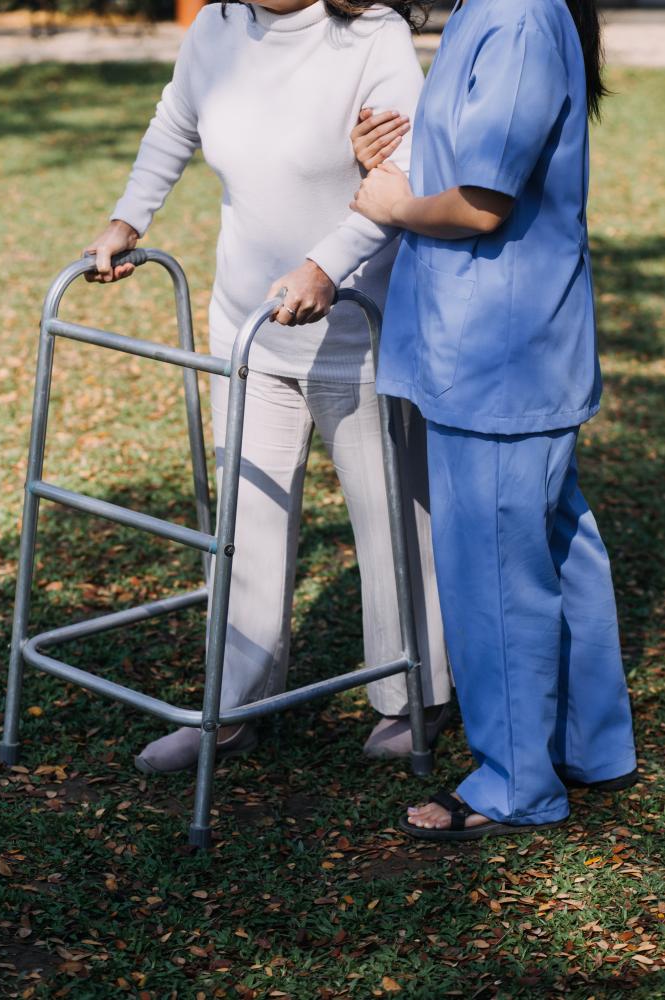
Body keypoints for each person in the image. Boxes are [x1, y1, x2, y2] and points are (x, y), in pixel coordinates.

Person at [85, 0, 453, 774]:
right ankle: (231, 705)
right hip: (246, 323)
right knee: (246, 519)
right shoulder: (215, 30)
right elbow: (171, 127)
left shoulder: (370, 34)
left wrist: (325, 264)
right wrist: (127, 220)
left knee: (389, 518)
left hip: (355, 327)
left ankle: (409, 697)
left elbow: (405, 168)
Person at [351, 0, 637, 839]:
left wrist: (393, 206)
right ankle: (590, 746)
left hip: (496, 355)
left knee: (494, 573)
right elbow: (463, 167)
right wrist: (385, 164)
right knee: (555, 545)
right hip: (503, 345)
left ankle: (517, 784)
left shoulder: (513, 14)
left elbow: (481, 205)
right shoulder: (498, 8)